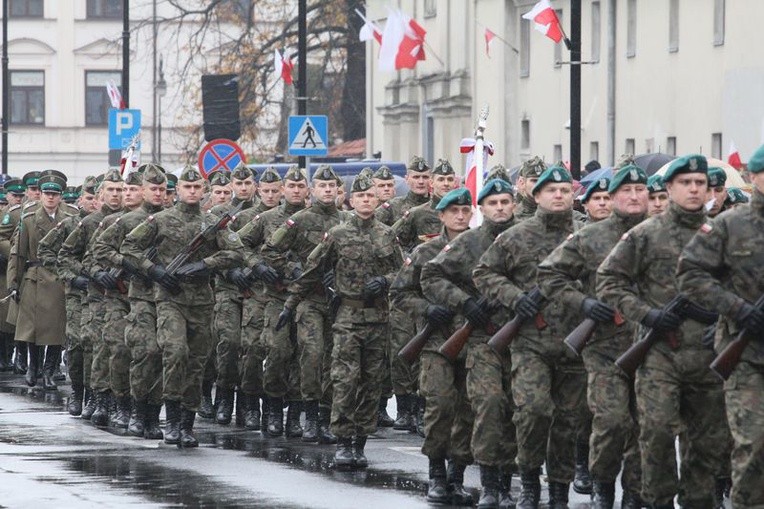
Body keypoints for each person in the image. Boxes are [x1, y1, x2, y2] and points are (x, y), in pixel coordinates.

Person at [597, 154, 727, 508]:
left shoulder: (724, 231)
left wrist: (721, 321)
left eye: (701, 183)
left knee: (707, 441)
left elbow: (748, 287)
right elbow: (609, 281)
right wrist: (648, 314)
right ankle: (657, 501)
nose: (695, 189)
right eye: (686, 183)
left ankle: (698, 501)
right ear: (669, 188)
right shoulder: (645, 234)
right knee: (655, 432)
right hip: (659, 354)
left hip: (709, 354)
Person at [537, 165, 650, 508]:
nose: (633, 196)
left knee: (649, 427)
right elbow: (550, 275)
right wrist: (583, 302)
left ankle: (634, 494)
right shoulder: (590, 237)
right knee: (613, 421)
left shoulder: (661, 233)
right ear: (613, 198)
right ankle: (603, 486)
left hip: (655, 349)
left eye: (640, 190)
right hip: (605, 348)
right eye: (625, 191)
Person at [473, 166, 586, 509]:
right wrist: (514, 297)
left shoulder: (586, 233)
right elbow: (484, 273)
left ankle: (559, 493)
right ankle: (531, 483)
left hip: (575, 342)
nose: (558, 196)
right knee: (533, 412)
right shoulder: (515, 235)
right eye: (550, 190)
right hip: (530, 342)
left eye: (564, 190)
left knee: (567, 422)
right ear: (535, 195)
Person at [283, 173, 402, 469]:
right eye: (359, 197)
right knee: (345, 379)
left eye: (370, 196)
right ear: (350, 200)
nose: (365, 201)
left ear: (376, 200)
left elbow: (405, 273)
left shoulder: (387, 234)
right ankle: (344, 440)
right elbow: (311, 271)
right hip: (347, 317)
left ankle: (360, 441)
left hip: (378, 317)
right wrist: (290, 304)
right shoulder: (337, 234)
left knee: (371, 382)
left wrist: (385, 280)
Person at [121, 166, 243, 447]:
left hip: (201, 301)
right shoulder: (159, 220)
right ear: (177, 191)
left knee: (197, 363)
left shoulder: (212, 223)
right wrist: (155, 271)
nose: (192, 192)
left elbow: (238, 253)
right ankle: (171, 420)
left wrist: (205, 265)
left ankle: (187, 424)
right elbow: (129, 247)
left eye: (197, 188)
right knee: (175, 352)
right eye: (187, 187)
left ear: (203, 191)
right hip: (169, 298)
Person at [421, 179, 519, 507]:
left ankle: (493, 480)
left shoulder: (527, 237)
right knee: (463, 405)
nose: (501, 208)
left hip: (521, 337)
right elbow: (427, 278)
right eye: (493, 203)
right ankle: (450, 476)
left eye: (506, 201)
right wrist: (463, 303)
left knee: (517, 410)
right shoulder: (467, 244)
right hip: (467, 338)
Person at [676, 143, 764, 509]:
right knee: (753, 442)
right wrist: (737, 309)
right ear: (754, 177)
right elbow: (690, 273)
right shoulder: (730, 224)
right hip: (747, 355)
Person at [390, 187, 473, 505]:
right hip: (436, 341)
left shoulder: (482, 249)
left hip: (473, 341)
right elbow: (399, 293)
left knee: (468, 412)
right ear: (441, 215)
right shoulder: (425, 252)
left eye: (466, 211)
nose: (461, 216)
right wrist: (427, 310)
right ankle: (437, 474)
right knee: (439, 407)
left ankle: (457, 477)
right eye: (454, 211)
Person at [262, 164, 345, 442]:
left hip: (338, 301)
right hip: (307, 299)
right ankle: (307, 416)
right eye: (322, 186)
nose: (328, 190)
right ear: (313, 190)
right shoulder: (300, 220)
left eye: (332, 186)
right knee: (311, 353)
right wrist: (294, 270)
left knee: (334, 360)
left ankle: (325, 417)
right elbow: (270, 250)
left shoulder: (347, 222)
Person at [91, 164, 167, 439]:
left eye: (162, 189)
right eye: (128, 189)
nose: (127, 193)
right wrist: (121, 266)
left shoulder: (172, 218)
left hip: (165, 296)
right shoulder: (119, 222)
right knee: (124, 350)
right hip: (125, 296)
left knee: (159, 354)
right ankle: (124, 406)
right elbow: (99, 251)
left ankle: (152, 413)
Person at [236, 166, 303, 431]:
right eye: (291, 187)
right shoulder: (265, 218)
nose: (294, 191)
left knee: (306, 355)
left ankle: (296, 414)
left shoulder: (314, 217)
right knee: (268, 351)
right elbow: (236, 243)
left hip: (306, 296)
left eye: (301, 187)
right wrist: (255, 265)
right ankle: (264, 407)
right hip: (269, 294)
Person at [58, 170, 124, 425]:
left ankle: (113, 400)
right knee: (86, 345)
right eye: (111, 190)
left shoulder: (131, 220)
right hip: (91, 294)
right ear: (100, 195)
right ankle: (84, 393)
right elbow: (64, 256)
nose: (116, 195)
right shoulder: (87, 223)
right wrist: (78, 277)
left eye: (120, 190)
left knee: (117, 348)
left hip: (122, 295)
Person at [84, 170, 144, 428]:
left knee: (142, 351)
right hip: (113, 295)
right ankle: (104, 399)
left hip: (143, 294)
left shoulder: (153, 220)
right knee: (112, 346)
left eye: (128, 190)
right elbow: (89, 258)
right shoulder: (109, 223)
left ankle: (136, 404)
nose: (122, 194)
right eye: (119, 190)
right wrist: (99, 273)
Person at [8, 171, 75, 390]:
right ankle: (33, 367)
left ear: (61, 196)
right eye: (46, 193)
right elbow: (18, 253)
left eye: (54, 194)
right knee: (32, 329)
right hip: (34, 278)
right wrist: (14, 283)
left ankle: (49, 371)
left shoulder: (70, 219)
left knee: (55, 330)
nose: (50, 198)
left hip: (58, 278)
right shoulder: (28, 218)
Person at [37, 176, 98, 414]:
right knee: (76, 344)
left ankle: (95, 396)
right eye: (90, 198)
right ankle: (78, 392)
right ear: (81, 199)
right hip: (76, 293)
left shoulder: (111, 223)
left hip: (102, 294)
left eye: (97, 198)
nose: (94, 203)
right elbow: (46, 249)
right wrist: (69, 276)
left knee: (97, 345)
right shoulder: (72, 224)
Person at [208, 164, 258, 426]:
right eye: (238, 184)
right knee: (228, 344)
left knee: (253, 348)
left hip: (257, 290)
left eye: (248, 183)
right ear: (231, 186)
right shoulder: (219, 214)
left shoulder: (266, 212)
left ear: (254, 185)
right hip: (227, 289)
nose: (243, 188)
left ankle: (250, 404)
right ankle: (224, 398)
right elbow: (210, 253)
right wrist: (229, 273)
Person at [375, 156, 431, 227]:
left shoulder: (439, 206)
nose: (421, 181)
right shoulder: (393, 206)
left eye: (425, 177)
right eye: (416, 177)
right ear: (406, 179)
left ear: (431, 180)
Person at [513, 156, 546, 222]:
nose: (539, 185)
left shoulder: (553, 212)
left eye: (542, 180)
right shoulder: (514, 217)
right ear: (522, 183)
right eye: (534, 181)